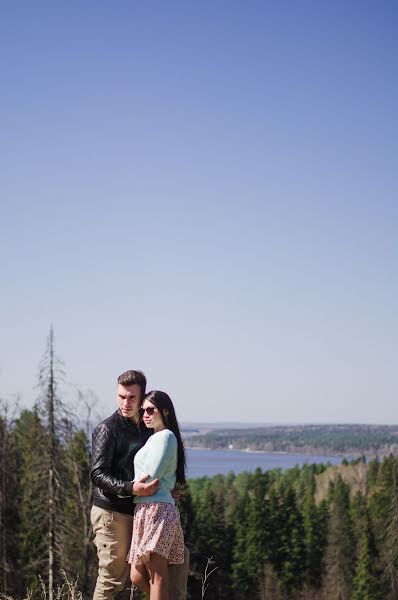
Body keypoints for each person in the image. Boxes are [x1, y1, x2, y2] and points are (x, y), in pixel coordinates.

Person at [90, 370, 189, 600]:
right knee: (113, 576)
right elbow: (97, 474)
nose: (126, 403)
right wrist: (130, 488)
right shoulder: (108, 429)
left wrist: (169, 488)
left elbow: (162, 464)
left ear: (142, 397)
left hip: (142, 510)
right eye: (121, 396)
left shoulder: (149, 428)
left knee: (173, 562)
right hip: (111, 512)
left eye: (132, 398)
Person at [128, 390, 186, 600]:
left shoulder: (166, 436)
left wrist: (128, 487)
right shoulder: (153, 438)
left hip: (159, 509)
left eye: (150, 409)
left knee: (157, 576)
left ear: (165, 411)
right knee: (136, 575)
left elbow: (151, 477)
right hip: (144, 509)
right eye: (143, 410)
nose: (145, 414)